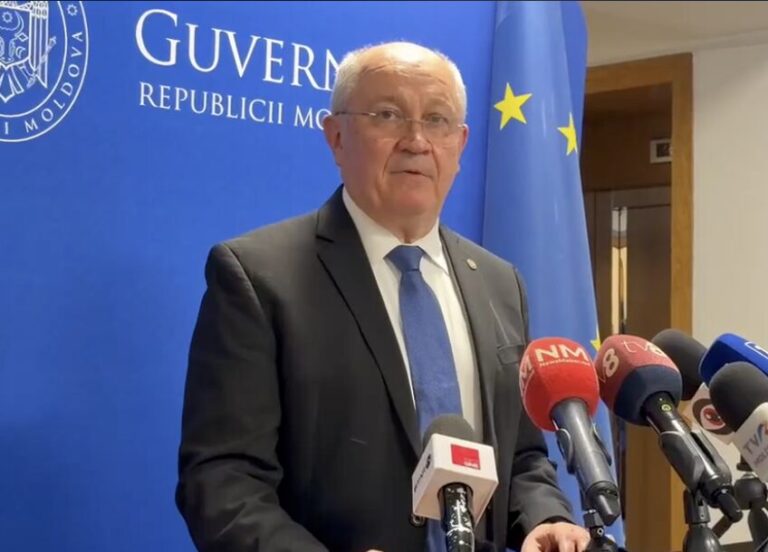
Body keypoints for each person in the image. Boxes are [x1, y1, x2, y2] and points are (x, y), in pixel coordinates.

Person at [176, 41, 591, 552]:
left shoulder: (500, 283)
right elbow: (222, 481)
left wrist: (544, 517)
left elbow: (522, 456)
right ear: (336, 136)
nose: (416, 141)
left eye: (437, 120)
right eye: (388, 115)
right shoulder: (259, 276)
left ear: (460, 144)